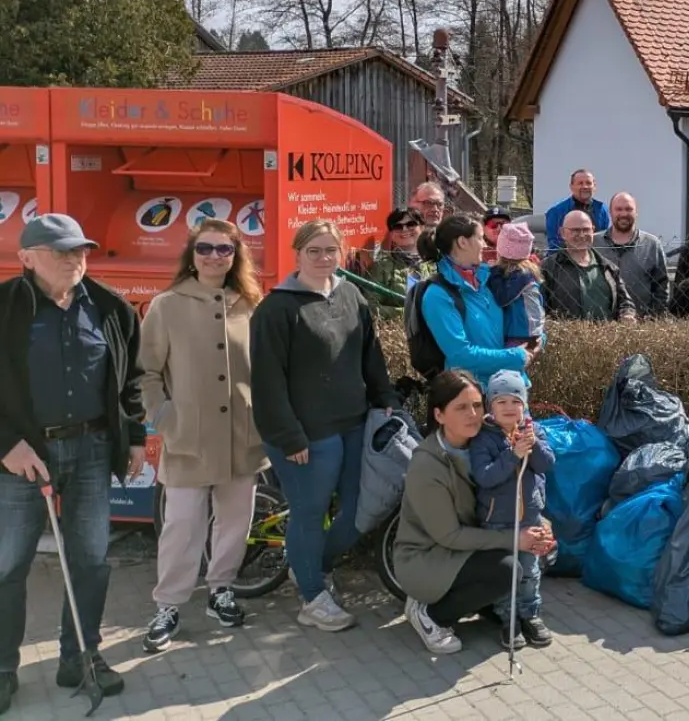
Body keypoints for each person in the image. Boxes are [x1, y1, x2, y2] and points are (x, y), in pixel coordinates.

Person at [0, 215, 145, 705]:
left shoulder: (110, 307)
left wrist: (136, 436)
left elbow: (129, 380)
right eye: (60, 251)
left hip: (91, 450)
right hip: (22, 456)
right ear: (26, 257)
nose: (74, 259)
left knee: (89, 560)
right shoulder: (4, 308)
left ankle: (80, 656)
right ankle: (2, 667)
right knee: (7, 564)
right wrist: (6, 445)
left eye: (80, 250)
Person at [252, 220, 400, 632]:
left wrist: (386, 397)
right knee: (309, 513)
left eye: (330, 250)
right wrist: (288, 436)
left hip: (353, 423)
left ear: (342, 253)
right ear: (297, 254)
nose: (323, 258)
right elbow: (266, 382)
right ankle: (312, 597)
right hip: (304, 434)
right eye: (313, 250)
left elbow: (370, 355)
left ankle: (312, 566)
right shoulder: (277, 309)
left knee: (359, 511)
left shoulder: (350, 294)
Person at [139, 219, 268, 653]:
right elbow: (146, 373)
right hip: (188, 440)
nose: (214, 256)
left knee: (235, 522)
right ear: (192, 255)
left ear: (236, 256)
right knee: (182, 526)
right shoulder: (167, 305)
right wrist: (164, 417)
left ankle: (221, 590)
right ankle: (168, 605)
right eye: (206, 248)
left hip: (241, 437)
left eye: (224, 249)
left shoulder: (249, 304)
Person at [395, 372, 555, 655]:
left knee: (535, 555)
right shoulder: (427, 466)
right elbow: (449, 536)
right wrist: (516, 539)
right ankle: (431, 614)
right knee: (507, 570)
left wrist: (539, 523)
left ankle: (506, 609)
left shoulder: (485, 440)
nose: (473, 415)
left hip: (473, 538)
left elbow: (525, 483)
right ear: (439, 415)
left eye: (477, 405)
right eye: (461, 407)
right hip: (430, 554)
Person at [468, 371, 556, 650]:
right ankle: (508, 618)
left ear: (524, 405)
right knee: (507, 573)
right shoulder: (484, 438)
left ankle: (530, 614)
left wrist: (533, 445)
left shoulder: (534, 431)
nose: (509, 407)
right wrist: (512, 454)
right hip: (498, 522)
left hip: (530, 518)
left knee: (530, 571)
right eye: (501, 401)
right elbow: (485, 476)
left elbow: (546, 464)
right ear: (490, 406)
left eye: (516, 401)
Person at [421, 216, 532, 385]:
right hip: (471, 393)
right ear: (462, 242)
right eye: (480, 238)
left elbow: (524, 320)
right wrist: (517, 356)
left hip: (512, 388)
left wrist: (535, 340)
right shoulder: (437, 295)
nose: (485, 244)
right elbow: (460, 356)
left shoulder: (492, 279)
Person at [542, 212, 637, 323]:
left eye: (586, 230)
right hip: (564, 333)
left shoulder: (608, 268)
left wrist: (627, 314)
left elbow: (625, 302)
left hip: (605, 333)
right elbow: (538, 307)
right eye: (575, 230)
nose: (582, 235)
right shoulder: (548, 268)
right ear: (562, 233)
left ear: (593, 230)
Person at [595, 193, 669, 318]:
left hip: (641, 322)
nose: (624, 214)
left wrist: (653, 317)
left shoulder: (651, 244)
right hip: (601, 322)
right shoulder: (594, 244)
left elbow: (662, 287)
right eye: (618, 209)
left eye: (629, 209)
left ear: (636, 212)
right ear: (610, 213)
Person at [363, 207, 433, 316]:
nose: (404, 229)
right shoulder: (382, 267)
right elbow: (369, 306)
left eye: (411, 224)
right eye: (397, 226)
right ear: (391, 234)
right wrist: (407, 312)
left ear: (422, 227)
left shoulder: (436, 263)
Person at [485, 223, 544, 348]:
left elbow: (502, 298)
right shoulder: (523, 272)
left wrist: (494, 272)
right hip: (524, 331)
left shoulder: (521, 274)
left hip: (523, 334)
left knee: (511, 359)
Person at [543, 169, 609, 251]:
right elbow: (554, 246)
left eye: (588, 183)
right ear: (571, 187)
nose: (585, 187)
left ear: (594, 186)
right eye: (580, 183)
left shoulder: (602, 209)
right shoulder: (556, 212)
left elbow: (604, 241)